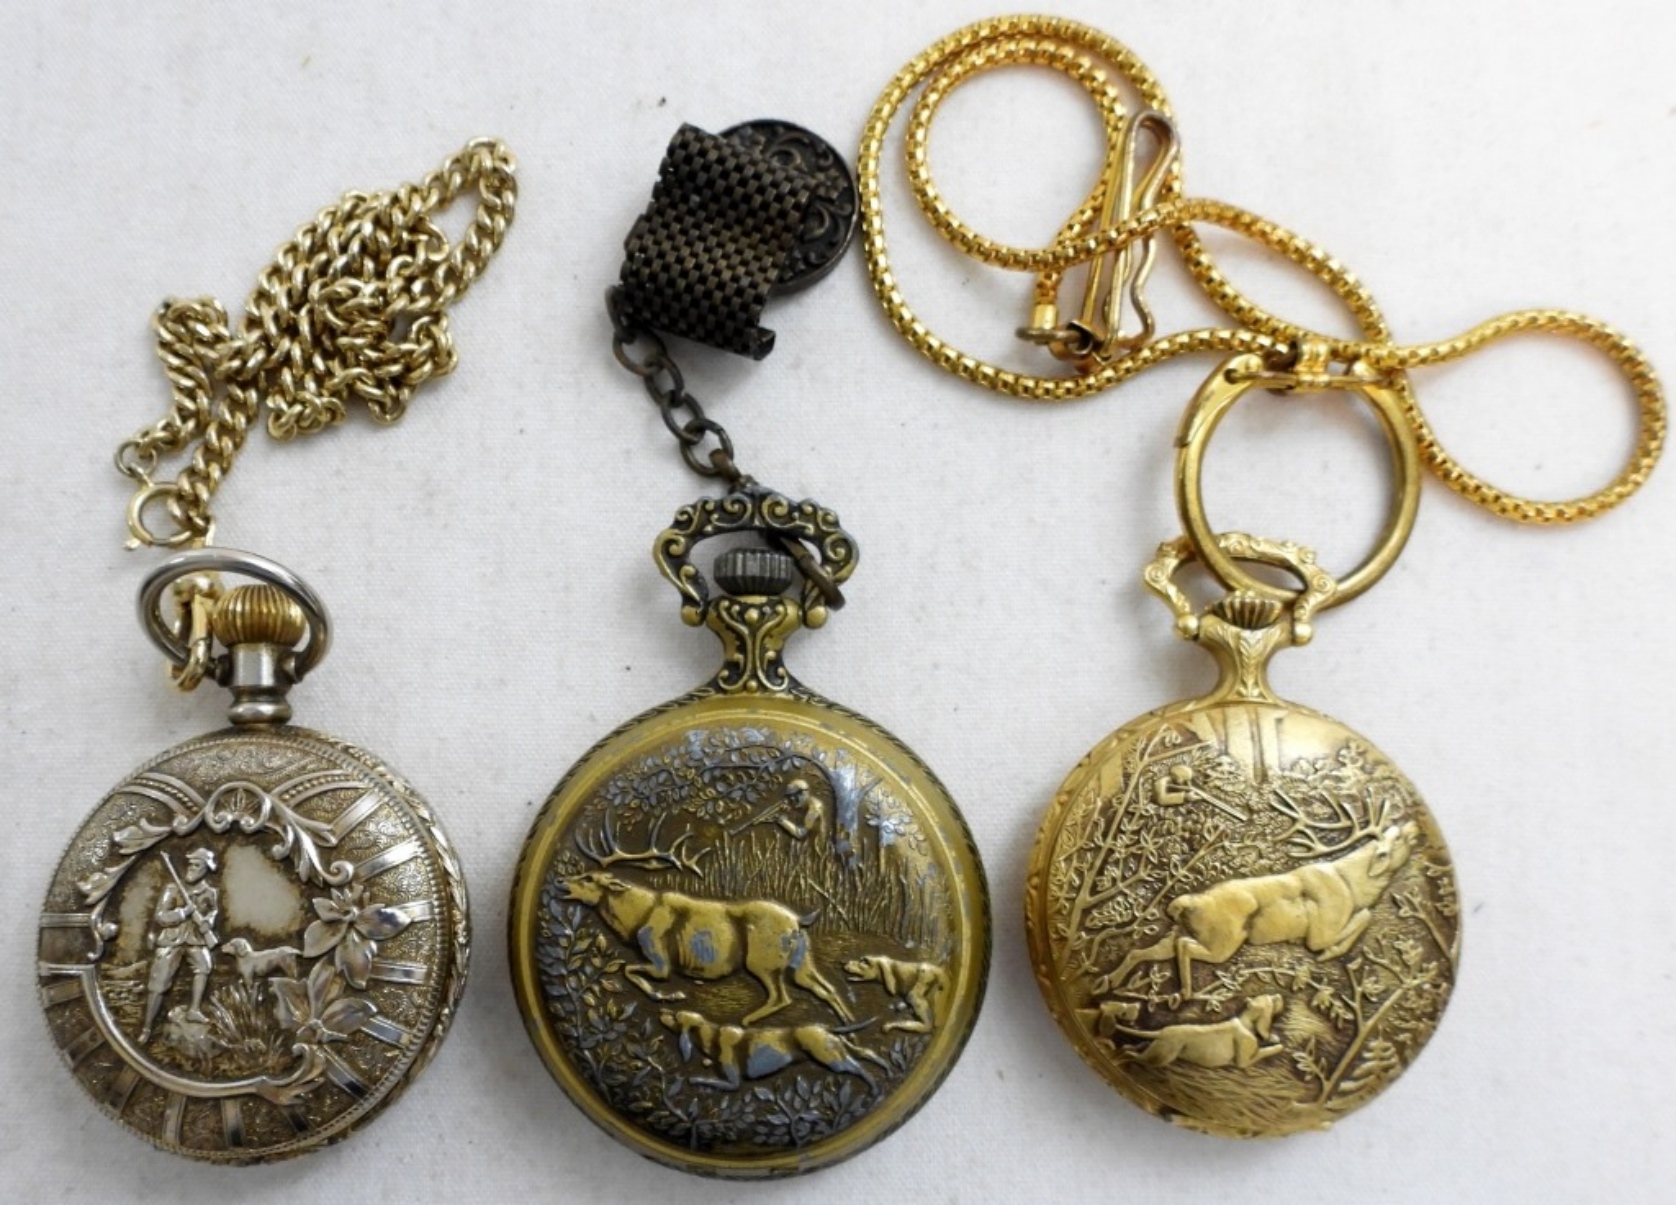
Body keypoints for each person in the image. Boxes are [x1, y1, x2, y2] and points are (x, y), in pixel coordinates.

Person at [140, 847, 220, 1043]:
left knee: (204, 966)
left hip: (195, 939)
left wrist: (208, 922)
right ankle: (147, 1027)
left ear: (206, 869)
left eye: (197, 865)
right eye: (191, 864)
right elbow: (160, 916)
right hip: (171, 939)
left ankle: (194, 1010)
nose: (191, 868)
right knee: (158, 983)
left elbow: (213, 911)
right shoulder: (173, 889)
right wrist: (183, 913)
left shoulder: (210, 892)